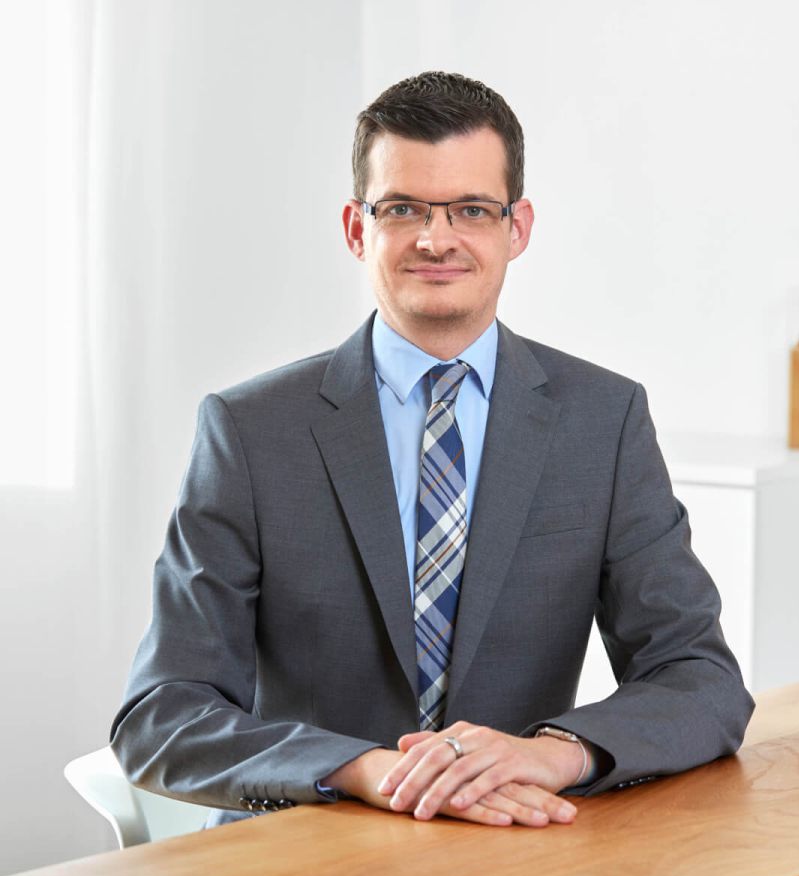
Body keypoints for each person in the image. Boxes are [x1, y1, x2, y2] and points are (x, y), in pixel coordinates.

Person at [111, 71, 754, 830]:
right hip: (306, 849)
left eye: (471, 210)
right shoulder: (250, 432)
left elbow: (700, 677)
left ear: (517, 228)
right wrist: (363, 771)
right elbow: (162, 713)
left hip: (517, 845)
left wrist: (555, 753)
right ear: (357, 229)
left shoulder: (603, 422)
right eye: (403, 208)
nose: (435, 238)